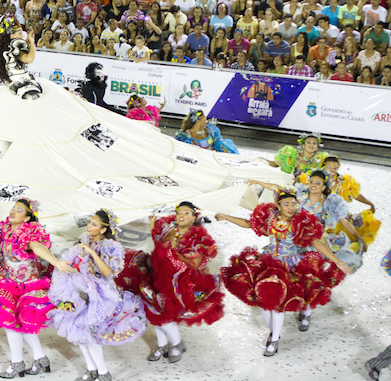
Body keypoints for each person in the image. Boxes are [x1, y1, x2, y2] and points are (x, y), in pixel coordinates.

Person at [217, 187, 351, 356]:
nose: (290, 207)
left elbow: (316, 243)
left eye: (293, 203)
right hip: (268, 263)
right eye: (286, 204)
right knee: (265, 303)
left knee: (286, 301)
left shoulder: (299, 223)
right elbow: (247, 223)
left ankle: (276, 337)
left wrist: (337, 261)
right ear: (278, 205)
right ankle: (275, 331)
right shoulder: (270, 219)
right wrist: (226, 217)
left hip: (290, 265)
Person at [0, 198, 73, 378]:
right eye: (13, 208)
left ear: (26, 218)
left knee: (11, 323)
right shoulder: (6, 229)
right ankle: (40, 359)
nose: (13, 211)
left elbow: (37, 246)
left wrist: (56, 262)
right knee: (18, 325)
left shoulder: (29, 233)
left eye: (19, 210)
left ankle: (17, 363)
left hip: (27, 286)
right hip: (10, 282)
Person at [118, 203, 224, 363]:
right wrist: (153, 225)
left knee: (165, 313)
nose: (181, 215)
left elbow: (194, 265)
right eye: (179, 212)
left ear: (195, 217)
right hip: (158, 276)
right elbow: (158, 246)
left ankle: (177, 343)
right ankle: (162, 346)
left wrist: (173, 252)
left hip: (181, 283)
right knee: (154, 313)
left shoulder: (199, 240)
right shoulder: (170, 231)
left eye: (186, 213)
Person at [47, 209, 146, 381]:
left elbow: (109, 272)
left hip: (100, 296)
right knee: (78, 333)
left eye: (94, 224)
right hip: (81, 291)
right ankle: (91, 369)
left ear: (102, 229)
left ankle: (103, 373)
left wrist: (91, 252)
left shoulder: (111, 246)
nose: (89, 226)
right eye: (89, 222)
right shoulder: (86, 240)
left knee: (90, 336)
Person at [0, 18, 42, 100]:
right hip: (21, 81)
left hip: (12, 79)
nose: (22, 36)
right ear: (12, 35)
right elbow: (29, 59)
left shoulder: (6, 47)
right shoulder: (15, 45)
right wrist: (31, 41)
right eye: (20, 33)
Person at [174, 109, 239, 153]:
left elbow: (219, 144)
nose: (206, 122)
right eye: (204, 120)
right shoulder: (184, 135)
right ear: (198, 121)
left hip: (209, 161)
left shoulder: (210, 130)